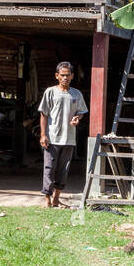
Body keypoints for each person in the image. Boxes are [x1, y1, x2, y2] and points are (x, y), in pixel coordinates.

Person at [38, 61, 87, 208]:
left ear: (72, 76)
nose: (65, 78)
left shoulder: (76, 94)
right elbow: (44, 114)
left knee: (63, 170)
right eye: (62, 75)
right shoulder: (50, 92)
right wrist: (43, 135)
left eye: (67, 75)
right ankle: (47, 198)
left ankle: (56, 199)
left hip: (69, 138)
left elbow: (82, 112)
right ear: (57, 76)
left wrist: (77, 118)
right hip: (52, 137)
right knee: (49, 168)